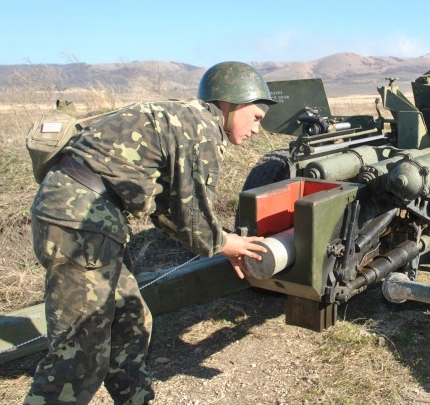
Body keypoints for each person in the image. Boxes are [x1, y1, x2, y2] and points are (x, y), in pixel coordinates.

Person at [24, 61, 275, 405]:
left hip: (92, 219)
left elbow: (168, 213)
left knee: (129, 320)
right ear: (230, 105)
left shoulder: (184, 118)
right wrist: (225, 244)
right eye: (256, 117)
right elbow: (192, 216)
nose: (258, 129)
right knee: (79, 352)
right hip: (79, 223)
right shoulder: (201, 129)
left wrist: (220, 245)